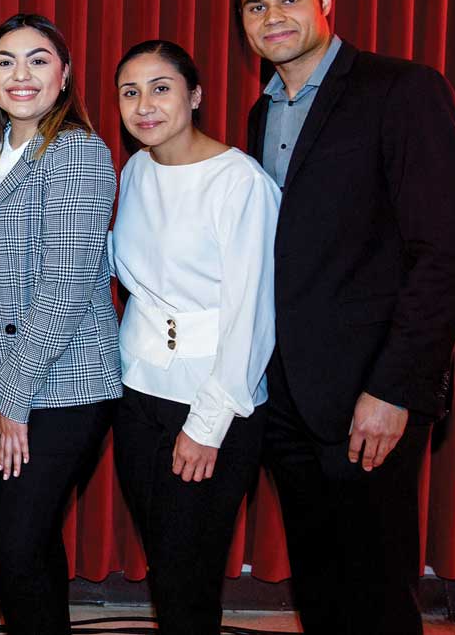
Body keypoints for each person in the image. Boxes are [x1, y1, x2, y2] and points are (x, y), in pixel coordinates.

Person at [236, 0, 455, 634]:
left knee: (376, 594)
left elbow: (449, 252)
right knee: (320, 584)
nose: (273, 17)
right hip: (287, 396)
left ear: (326, 2)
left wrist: (396, 387)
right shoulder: (263, 115)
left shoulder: (401, 90)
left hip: (371, 396)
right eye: (256, 6)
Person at [0, 13, 121, 634]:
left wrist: (13, 397)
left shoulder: (75, 152)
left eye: (38, 59)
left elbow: (66, 287)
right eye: (4, 61)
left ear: (66, 74)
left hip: (55, 385)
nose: (20, 74)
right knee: (33, 539)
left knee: (17, 546)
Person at [109, 40, 279, 633]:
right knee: (167, 563)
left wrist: (206, 426)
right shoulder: (134, 170)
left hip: (212, 401)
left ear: (195, 95)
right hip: (136, 396)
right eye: (130, 92)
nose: (144, 105)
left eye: (161, 88)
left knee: (189, 569)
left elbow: (252, 316)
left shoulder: (241, 183)